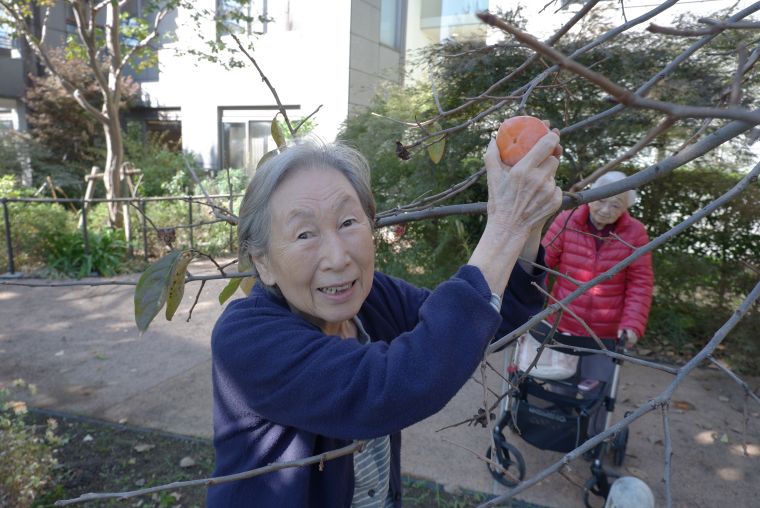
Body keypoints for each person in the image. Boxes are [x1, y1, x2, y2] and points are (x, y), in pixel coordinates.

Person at [208, 133, 562, 507]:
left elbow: (482, 326)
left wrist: (525, 229)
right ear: (262, 262)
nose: (338, 257)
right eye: (305, 234)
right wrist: (504, 226)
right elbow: (387, 388)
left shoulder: (372, 298)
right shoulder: (246, 339)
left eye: (347, 222)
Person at [541, 170, 654, 434]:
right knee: (561, 382)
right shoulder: (567, 219)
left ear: (626, 208)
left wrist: (632, 325)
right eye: (600, 200)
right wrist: (531, 305)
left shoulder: (634, 233)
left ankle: (594, 438)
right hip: (563, 321)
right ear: (590, 197)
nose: (604, 210)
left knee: (598, 390)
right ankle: (559, 428)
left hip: (604, 333)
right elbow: (543, 264)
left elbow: (640, 283)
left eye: (615, 204)